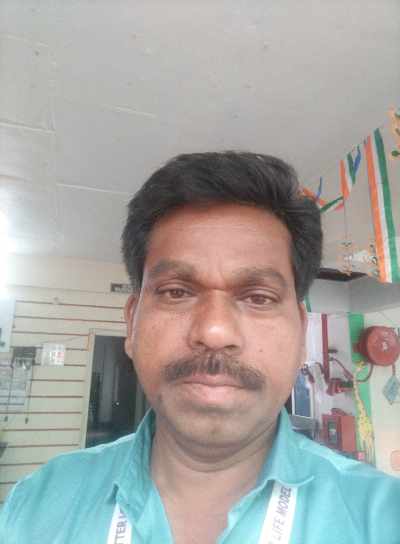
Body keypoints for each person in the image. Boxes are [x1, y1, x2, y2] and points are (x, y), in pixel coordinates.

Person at [1, 152, 399, 544]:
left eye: (258, 297)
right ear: (132, 322)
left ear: (300, 331)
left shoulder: (383, 519)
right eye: (176, 292)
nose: (214, 331)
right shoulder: (34, 507)